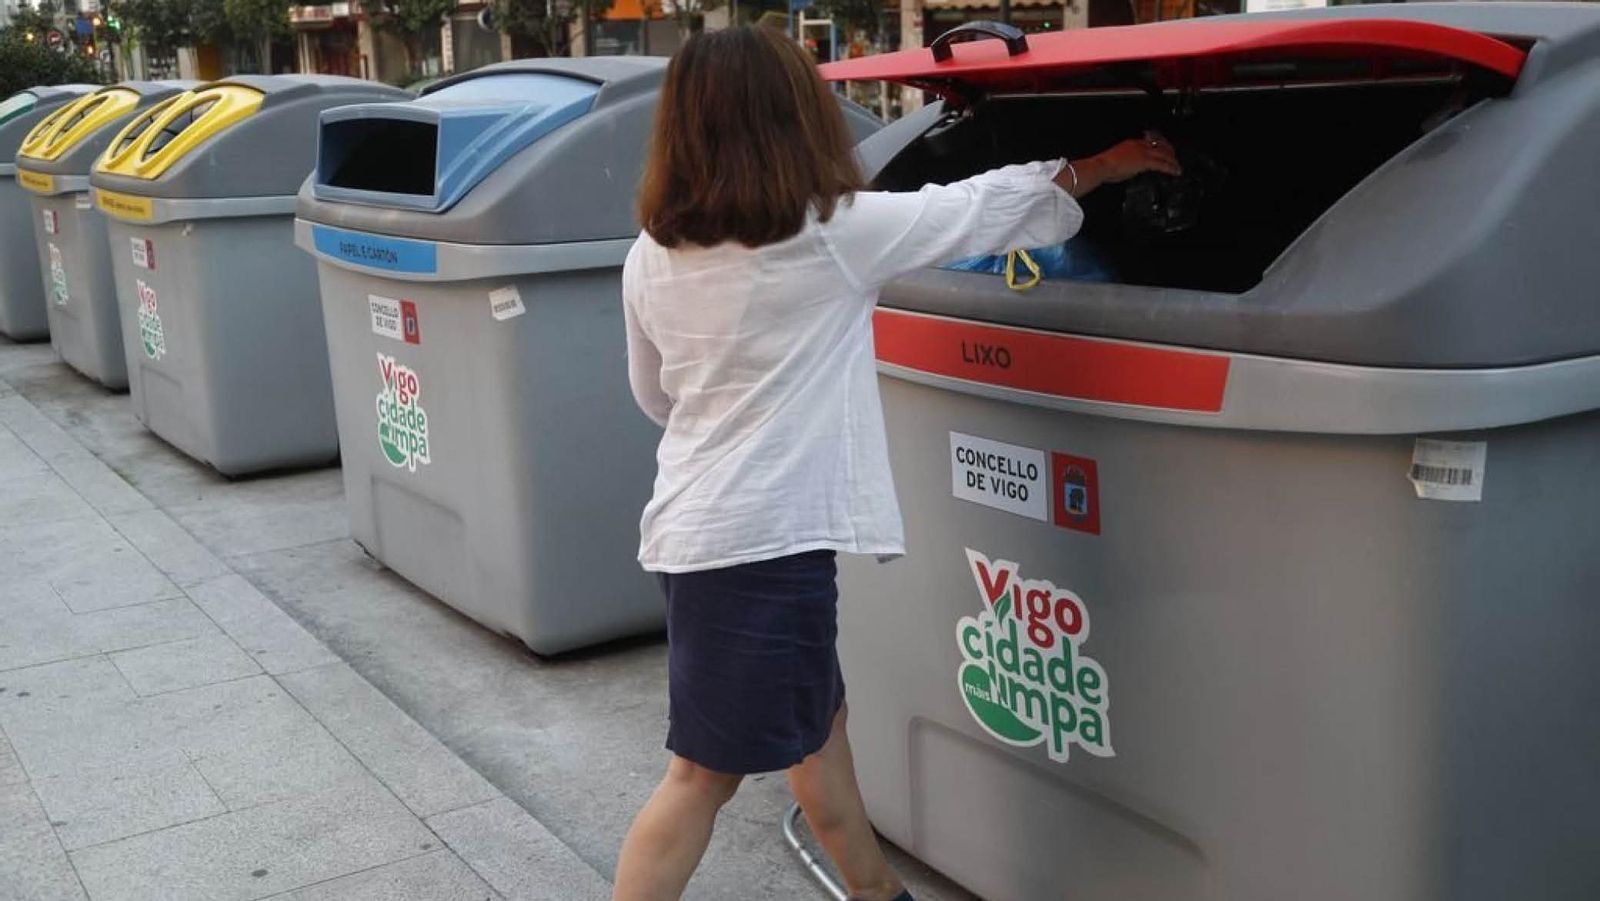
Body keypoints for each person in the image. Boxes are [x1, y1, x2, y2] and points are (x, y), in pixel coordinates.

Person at [616, 25, 1180, 901]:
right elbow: (975, 207)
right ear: (791, 119)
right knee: (702, 777)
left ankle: (879, 892)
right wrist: (1101, 167)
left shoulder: (651, 253)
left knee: (820, 733)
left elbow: (656, 397)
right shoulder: (829, 233)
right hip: (759, 550)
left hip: (702, 531)